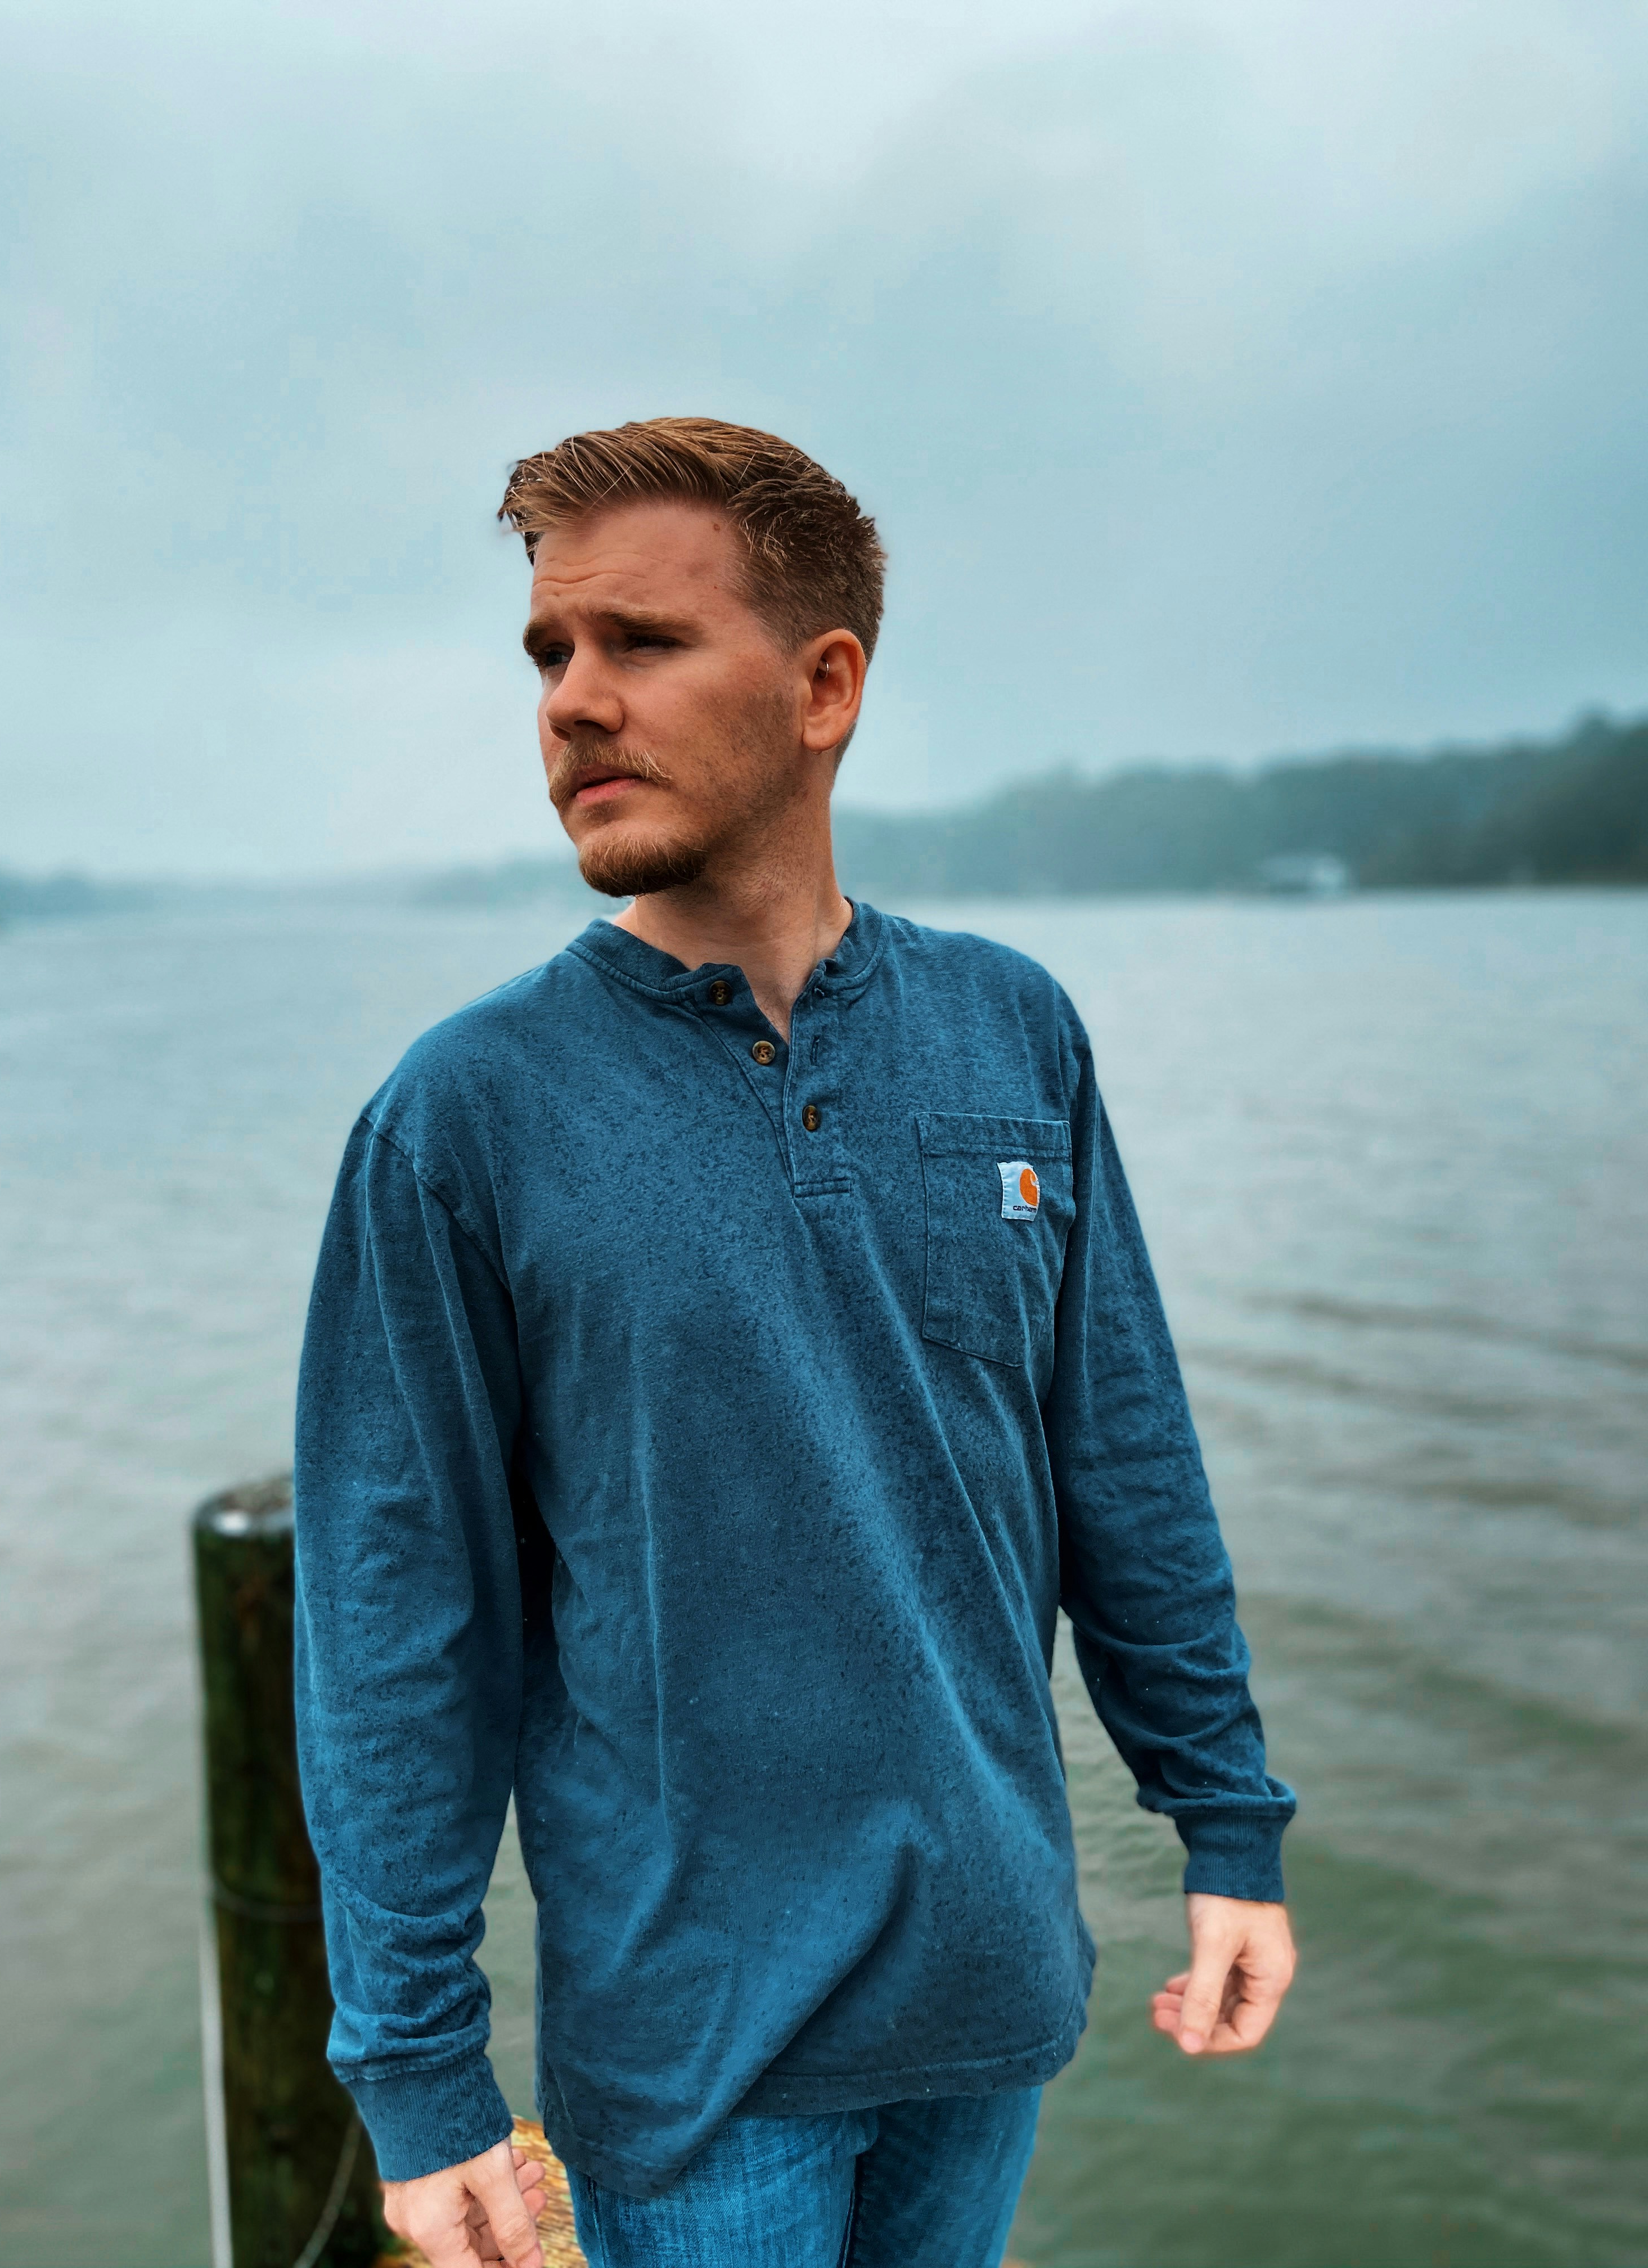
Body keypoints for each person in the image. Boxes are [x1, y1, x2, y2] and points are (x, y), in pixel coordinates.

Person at [293, 417, 1296, 2268]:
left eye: (642, 644)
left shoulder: (1015, 1034)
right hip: (700, 2067)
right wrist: (419, 2077)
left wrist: (1224, 1821)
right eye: (547, 655)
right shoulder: (464, 1118)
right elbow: (394, 1627)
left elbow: (1122, 1459)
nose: (573, 703)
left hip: (993, 1995)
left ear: (826, 684)